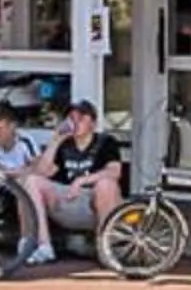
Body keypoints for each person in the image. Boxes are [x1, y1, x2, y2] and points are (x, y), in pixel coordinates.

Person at [26, 99, 122, 255]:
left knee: (106, 185)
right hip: (68, 200)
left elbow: (114, 172)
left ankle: (105, 248)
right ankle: (44, 246)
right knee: (32, 181)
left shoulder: (106, 142)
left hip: (95, 202)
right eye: (72, 118)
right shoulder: (64, 144)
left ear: (93, 123)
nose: (76, 122)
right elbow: (42, 172)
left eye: (81, 118)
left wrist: (81, 181)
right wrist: (55, 140)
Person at [0, 99, 51, 264]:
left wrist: (14, 173)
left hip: (19, 181)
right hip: (0, 183)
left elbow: (38, 167)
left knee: (24, 188)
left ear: (12, 126)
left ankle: (27, 241)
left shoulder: (25, 141)